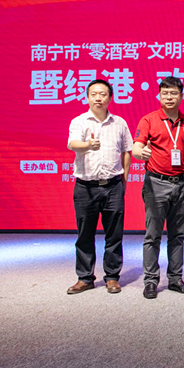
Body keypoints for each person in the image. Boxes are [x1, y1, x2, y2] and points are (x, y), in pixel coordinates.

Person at [133, 76, 184, 300]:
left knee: (177, 235)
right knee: (153, 235)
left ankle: (175, 279)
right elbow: (136, 148)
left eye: (173, 93)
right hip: (156, 183)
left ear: (181, 96)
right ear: (159, 96)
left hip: (182, 183)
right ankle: (151, 281)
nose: (169, 97)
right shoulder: (148, 120)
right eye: (165, 94)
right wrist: (140, 152)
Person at [66, 79, 133, 295]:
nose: (98, 98)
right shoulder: (79, 121)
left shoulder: (119, 123)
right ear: (87, 97)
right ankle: (85, 278)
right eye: (94, 94)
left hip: (113, 186)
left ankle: (112, 277)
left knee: (114, 234)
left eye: (103, 94)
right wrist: (88, 145)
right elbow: (72, 144)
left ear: (110, 98)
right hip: (85, 187)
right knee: (85, 234)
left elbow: (127, 151)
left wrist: (124, 180)